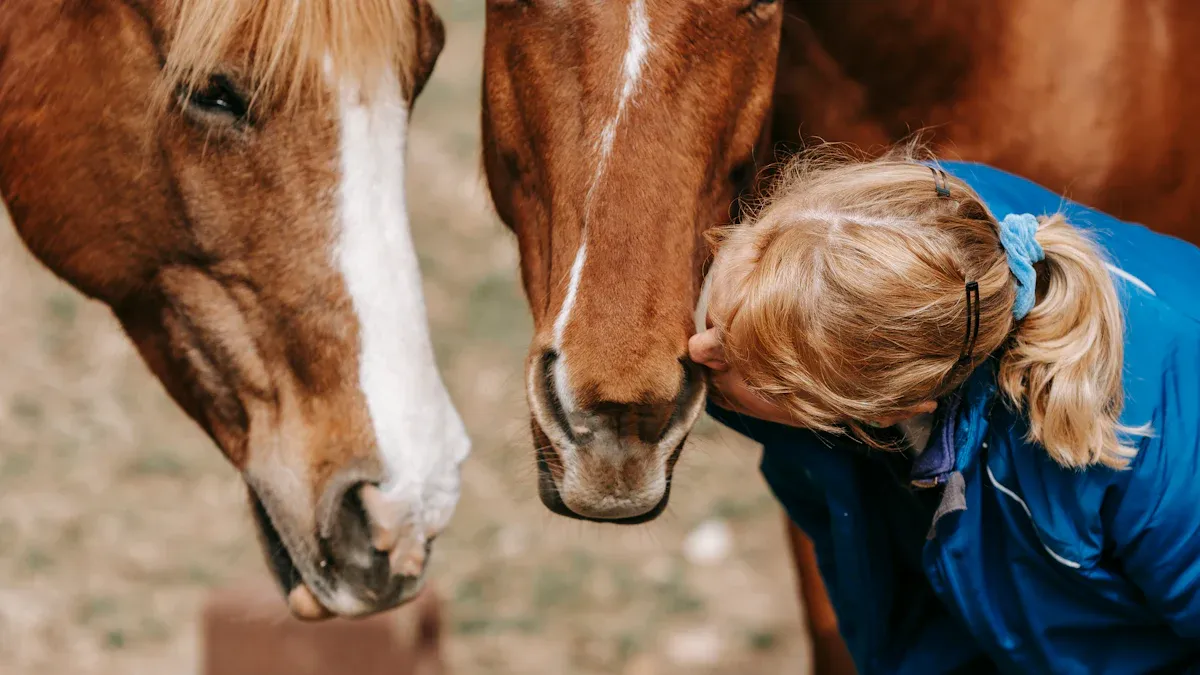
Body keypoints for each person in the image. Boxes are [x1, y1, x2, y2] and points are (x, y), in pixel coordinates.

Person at [689, 146, 1200, 674]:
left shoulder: (1161, 447)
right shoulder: (888, 237)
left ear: (893, 408)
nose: (696, 349)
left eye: (740, 357)